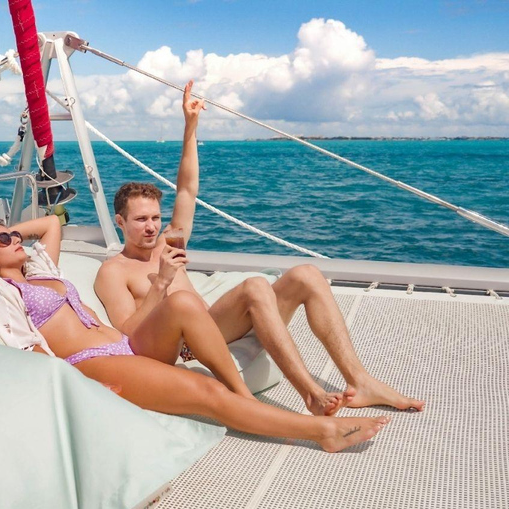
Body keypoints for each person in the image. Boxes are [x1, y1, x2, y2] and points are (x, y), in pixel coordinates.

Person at [94, 80, 425, 416]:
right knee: (254, 286)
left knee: (307, 274)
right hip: (185, 345)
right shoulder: (113, 271)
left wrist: (190, 126)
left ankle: (360, 381)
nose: (150, 227)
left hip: (214, 324)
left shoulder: (168, 240)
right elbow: (128, 334)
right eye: (140, 220)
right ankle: (310, 394)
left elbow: (187, 189)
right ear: (120, 222)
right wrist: (162, 282)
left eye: (154, 217)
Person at [0, 215, 391, 453]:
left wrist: (3, 229)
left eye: (15, 233)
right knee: (208, 396)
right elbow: (29, 348)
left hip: (126, 345)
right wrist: (78, 388)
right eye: (3, 239)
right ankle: (321, 433)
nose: (16, 237)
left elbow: (52, 224)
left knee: (182, 303)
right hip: (91, 363)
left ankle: (242, 395)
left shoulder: (40, 270)